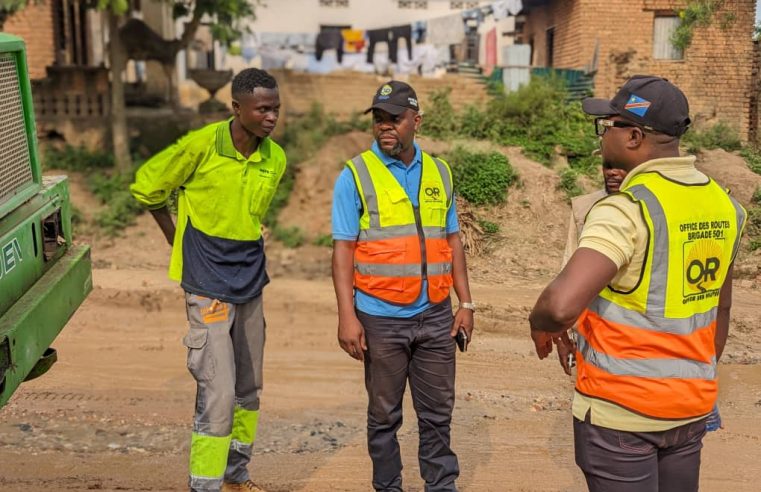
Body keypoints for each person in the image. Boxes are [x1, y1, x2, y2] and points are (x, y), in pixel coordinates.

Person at [528, 75, 746, 492]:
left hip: (621, 416)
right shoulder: (725, 205)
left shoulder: (627, 209)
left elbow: (559, 306)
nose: (601, 137)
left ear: (633, 137)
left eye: (607, 125)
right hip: (690, 409)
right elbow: (721, 307)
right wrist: (694, 380)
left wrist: (540, 323)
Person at [130, 68, 285, 492]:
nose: (272, 117)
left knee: (248, 389)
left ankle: (237, 477)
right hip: (207, 283)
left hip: (251, 280)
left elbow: (252, 218)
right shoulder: (201, 146)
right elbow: (148, 188)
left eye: (276, 108)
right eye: (263, 109)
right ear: (237, 108)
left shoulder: (276, 158)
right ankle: (205, 485)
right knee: (218, 393)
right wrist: (175, 238)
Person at [331, 80, 474, 492]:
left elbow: (452, 241)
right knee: (384, 416)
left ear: (416, 120)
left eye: (394, 118)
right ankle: (388, 486)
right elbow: (342, 252)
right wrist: (347, 316)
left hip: (435, 316)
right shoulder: (354, 176)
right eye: (378, 119)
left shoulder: (439, 171)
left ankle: (441, 486)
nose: (385, 126)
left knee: (437, 414)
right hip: (379, 318)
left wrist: (467, 303)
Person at [556, 165, 627, 374]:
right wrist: (564, 335)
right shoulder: (584, 207)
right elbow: (568, 271)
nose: (612, 172)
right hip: (591, 332)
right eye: (607, 165)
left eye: (619, 166)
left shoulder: (652, 208)